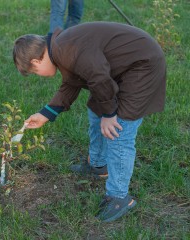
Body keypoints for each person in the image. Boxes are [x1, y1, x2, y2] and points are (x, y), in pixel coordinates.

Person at [12, 22, 166, 222]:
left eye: (33, 72)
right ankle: (98, 164)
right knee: (96, 108)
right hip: (121, 70)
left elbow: (100, 79)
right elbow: (72, 83)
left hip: (142, 66)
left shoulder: (68, 49)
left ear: (36, 61)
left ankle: (119, 196)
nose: (37, 76)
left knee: (119, 129)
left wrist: (110, 114)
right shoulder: (60, 48)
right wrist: (46, 114)